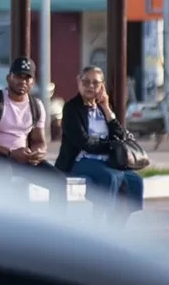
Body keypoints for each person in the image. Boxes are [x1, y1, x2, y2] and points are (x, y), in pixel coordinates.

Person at [55, 66, 144, 226]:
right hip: (80, 159)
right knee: (111, 176)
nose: (90, 86)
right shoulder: (71, 108)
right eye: (86, 82)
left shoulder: (103, 108)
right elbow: (84, 143)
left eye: (95, 83)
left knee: (135, 181)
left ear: (102, 86)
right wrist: (111, 146)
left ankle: (117, 223)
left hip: (106, 160)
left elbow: (120, 135)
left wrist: (107, 108)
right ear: (78, 82)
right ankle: (97, 222)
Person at [0, 57, 67, 210]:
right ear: (9, 78)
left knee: (58, 181)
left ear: (33, 82)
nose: (23, 81)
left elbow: (39, 140)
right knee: (5, 174)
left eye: (27, 78)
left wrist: (37, 152)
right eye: (18, 76)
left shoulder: (36, 106)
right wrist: (11, 153)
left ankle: (57, 229)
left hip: (23, 158)